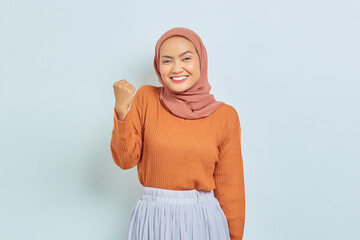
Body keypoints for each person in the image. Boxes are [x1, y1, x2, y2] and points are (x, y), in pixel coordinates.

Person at [110, 27, 245, 240]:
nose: (176, 68)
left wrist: (234, 237)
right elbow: (125, 160)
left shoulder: (225, 116)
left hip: (203, 220)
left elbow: (231, 189)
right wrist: (121, 110)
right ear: (158, 65)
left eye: (186, 58)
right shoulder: (146, 98)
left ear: (201, 60)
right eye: (167, 61)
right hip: (153, 218)